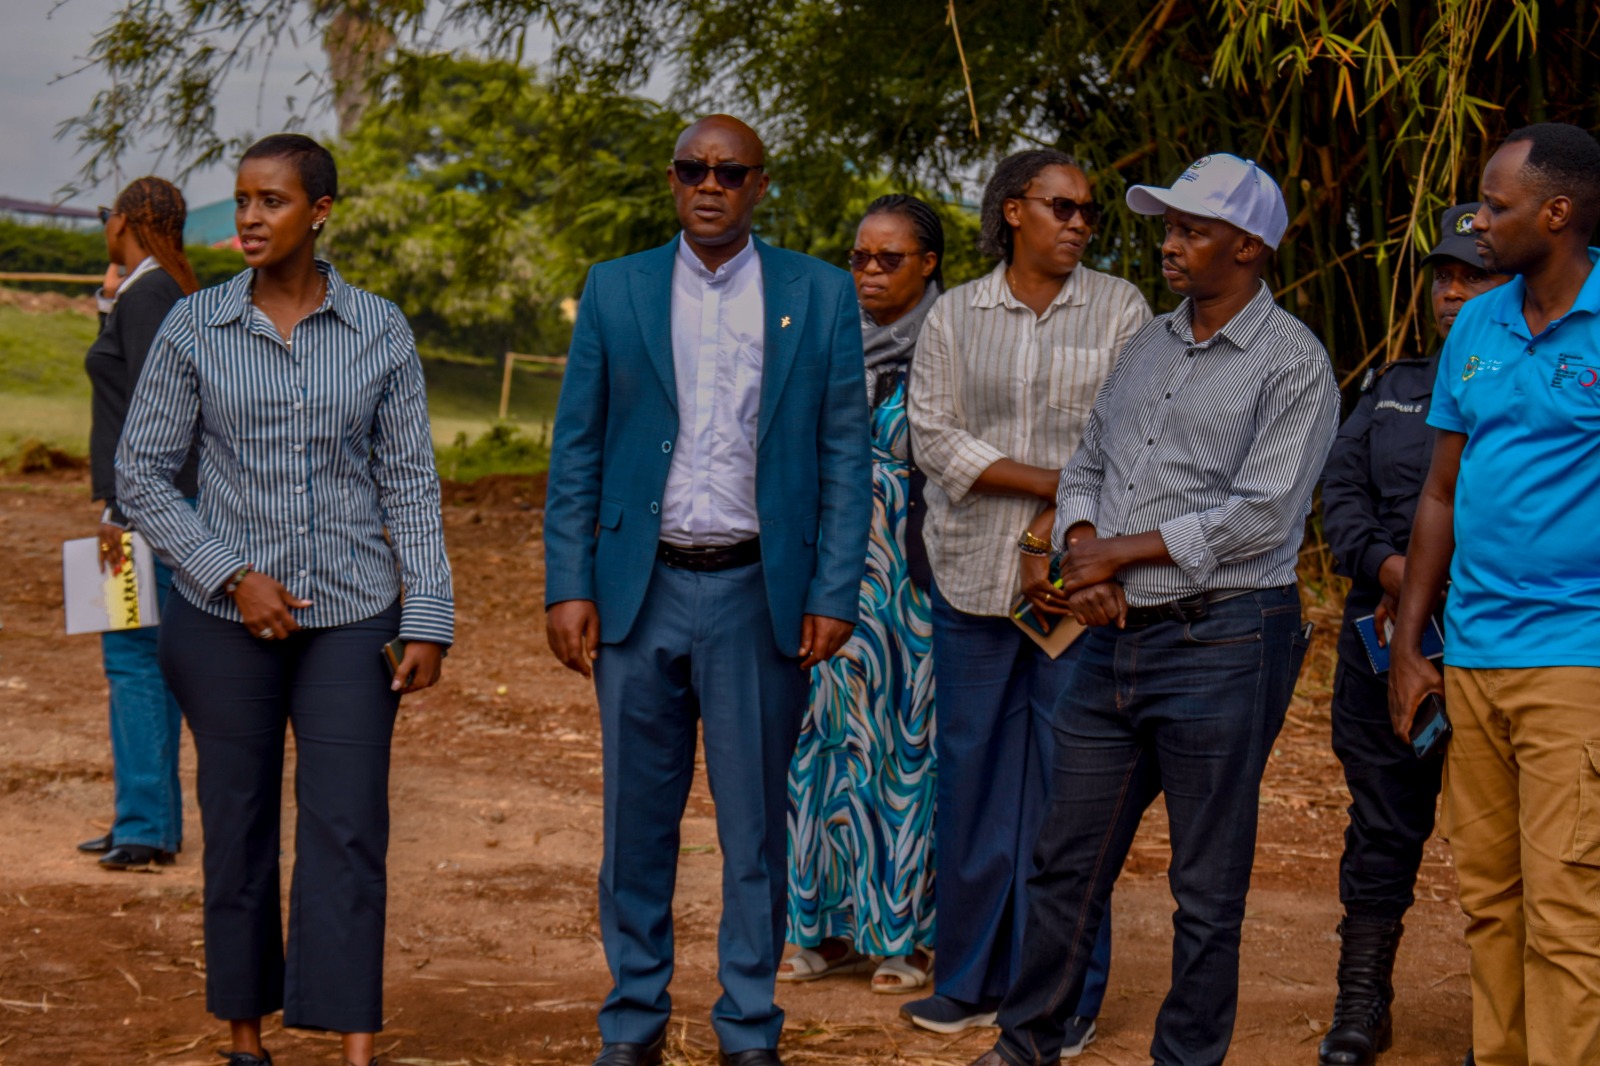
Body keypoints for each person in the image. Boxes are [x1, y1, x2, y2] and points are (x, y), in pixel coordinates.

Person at [967, 153, 1339, 1066]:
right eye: (1167, 227)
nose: (1168, 245)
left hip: (1225, 639)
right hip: (1113, 637)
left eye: (1191, 230)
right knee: (1067, 860)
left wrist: (1119, 552)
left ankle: (1185, 1059)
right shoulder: (1150, 341)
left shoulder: (1294, 364)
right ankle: (1029, 1046)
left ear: (1248, 246)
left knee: (1205, 884)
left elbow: (1263, 514)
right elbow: (1090, 458)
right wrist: (1084, 551)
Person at [542, 114, 872, 1066]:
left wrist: (833, 590)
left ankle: (747, 1028)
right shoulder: (617, 287)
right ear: (674, 180)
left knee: (754, 830)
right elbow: (580, 447)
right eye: (694, 169)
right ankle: (634, 1022)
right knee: (633, 829)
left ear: (762, 184)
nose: (711, 184)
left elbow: (844, 449)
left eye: (731, 171)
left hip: (755, 595)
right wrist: (569, 582)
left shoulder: (816, 292)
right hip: (637, 598)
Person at [117, 133, 452, 1066]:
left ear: (321, 212)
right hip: (222, 626)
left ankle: (351, 1044)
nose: (252, 218)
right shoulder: (196, 326)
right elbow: (139, 475)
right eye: (244, 201)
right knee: (238, 826)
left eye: (272, 201)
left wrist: (428, 614)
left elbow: (411, 484)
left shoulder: (380, 327)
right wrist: (229, 571)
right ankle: (245, 1040)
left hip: (353, 619)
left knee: (350, 829)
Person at [903, 149, 1151, 1044]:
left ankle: (1066, 1000)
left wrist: (1053, 528)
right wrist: (1058, 480)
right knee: (970, 780)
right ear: (1013, 211)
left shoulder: (1122, 308)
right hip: (971, 581)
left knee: (1068, 794)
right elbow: (936, 440)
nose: (1080, 223)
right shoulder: (956, 315)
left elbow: (1130, 437)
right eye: (1062, 207)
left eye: (1089, 212)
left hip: (1076, 588)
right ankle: (969, 980)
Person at [1389, 122, 1600, 1066]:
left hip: (1577, 658)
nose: (1478, 219)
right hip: (1473, 655)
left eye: (1496, 204)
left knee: (1567, 905)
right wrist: (1408, 644)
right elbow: (1441, 490)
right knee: (1489, 899)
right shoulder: (1477, 322)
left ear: (1557, 214)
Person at [1317, 204, 1505, 1066]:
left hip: (1497, 644)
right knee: (1382, 828)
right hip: (1384, 646)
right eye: (1443, 275)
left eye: (1475, 273)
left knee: (1505, 843)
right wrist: (1397, 574)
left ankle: (1504, 1025)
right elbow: (1339, 497)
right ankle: (1362, 1007)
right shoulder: (1393, 386)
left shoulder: (1527, 385)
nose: (1452, 290)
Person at [780, 194, 943, 994]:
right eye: (859, 258)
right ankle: (826, 929)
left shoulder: (954, 343)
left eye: (889, 260)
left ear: (929, 265)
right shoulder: (826, 339)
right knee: (819, 749)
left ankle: (906, 937)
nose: (868, 273)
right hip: (826, 578)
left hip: (912, 591)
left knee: (905, 754)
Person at [78, 176, 200, 871]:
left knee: (134, 662)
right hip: (139, 508)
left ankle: (147, 826)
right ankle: (142, 820)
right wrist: (107, 300)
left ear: (123, 220)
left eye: (107, 216)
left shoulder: (153, 294)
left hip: (142, 513)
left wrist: (125, 509)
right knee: (137, 662)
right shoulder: (153, 290)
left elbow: (160, 406)